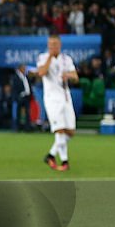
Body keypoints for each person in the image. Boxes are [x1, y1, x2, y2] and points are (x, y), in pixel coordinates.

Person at [35, 34, 78, 171]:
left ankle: (51, 155)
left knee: (70, 131)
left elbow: (76, 77)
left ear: (60, 45)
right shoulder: (42, 57)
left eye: (55, 44)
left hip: (66, 97)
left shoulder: (67, 59)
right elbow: (41, 73)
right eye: (50, 44)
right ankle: (65, 161)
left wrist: (69, 75)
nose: (52, 47)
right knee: (59, 129)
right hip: (52, 99)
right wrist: (49, 57)